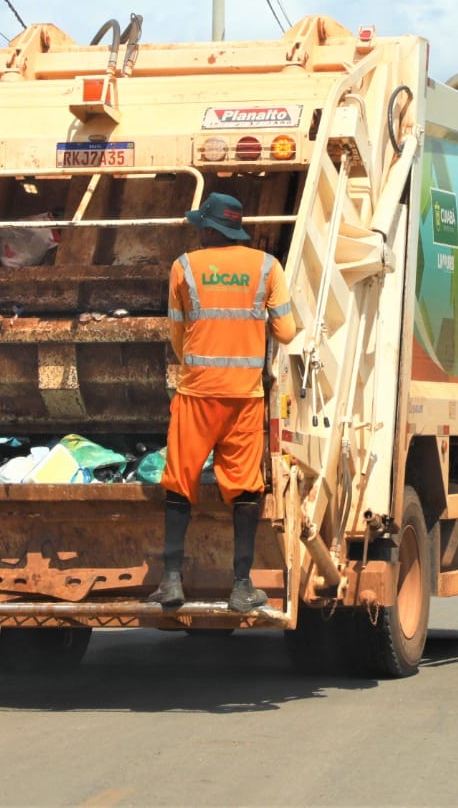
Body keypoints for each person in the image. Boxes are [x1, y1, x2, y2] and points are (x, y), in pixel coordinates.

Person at [151, 193, 296, 613]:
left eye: (201, 226)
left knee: (180, 483)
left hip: (196, 395)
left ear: (210, 229)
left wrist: (199, 365)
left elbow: (177, 335)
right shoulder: (267, 267)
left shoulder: (183, 267)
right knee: (245, 488)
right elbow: (286, 333)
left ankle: (172, 581)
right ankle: (241, 586)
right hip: (244, 399)